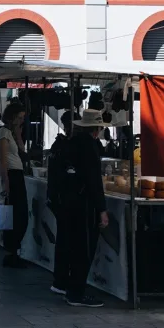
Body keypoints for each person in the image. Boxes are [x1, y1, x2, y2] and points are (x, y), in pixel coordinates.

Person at [56, 110, 108, 308]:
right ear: (96, 129)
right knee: (84, 248)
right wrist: (102, 209)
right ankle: (76, 292)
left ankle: (72, 288)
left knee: (74, 246)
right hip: (84, 203)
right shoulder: (89, 145)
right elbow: (94, 180)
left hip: (70, 202)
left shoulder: (72, 142)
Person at [0, 102, 29, 267]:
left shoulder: (11, 133)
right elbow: (1, 159)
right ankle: (11, 251)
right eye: (20, 117)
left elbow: (22, 151)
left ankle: (14, 249)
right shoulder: (2, 133)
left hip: (17, 174)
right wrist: (6, 182)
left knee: (20, 215)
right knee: (14, 215)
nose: (22, 120)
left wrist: (18, 133)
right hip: (11, 175)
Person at [47, 111, 75, 294]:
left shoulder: (60, 144)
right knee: (66, 239)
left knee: (64, 238)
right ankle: (62, 279)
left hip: (58, 197)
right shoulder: (65, 146)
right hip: (64, 198)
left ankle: (61, 278)